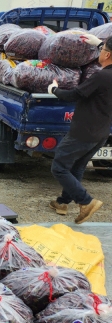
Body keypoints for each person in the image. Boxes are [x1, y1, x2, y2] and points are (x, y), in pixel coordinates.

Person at [46, 33, 112, 224]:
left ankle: (86, 202)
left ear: (107, 55)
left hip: (83, 131)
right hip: (100, 132)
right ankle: (63, 202)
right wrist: (99, 42)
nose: (100, 52)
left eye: (103, 50)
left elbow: (75, 94)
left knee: (58, 167)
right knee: (77, 166)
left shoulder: (102, 76)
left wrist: (54, 90)